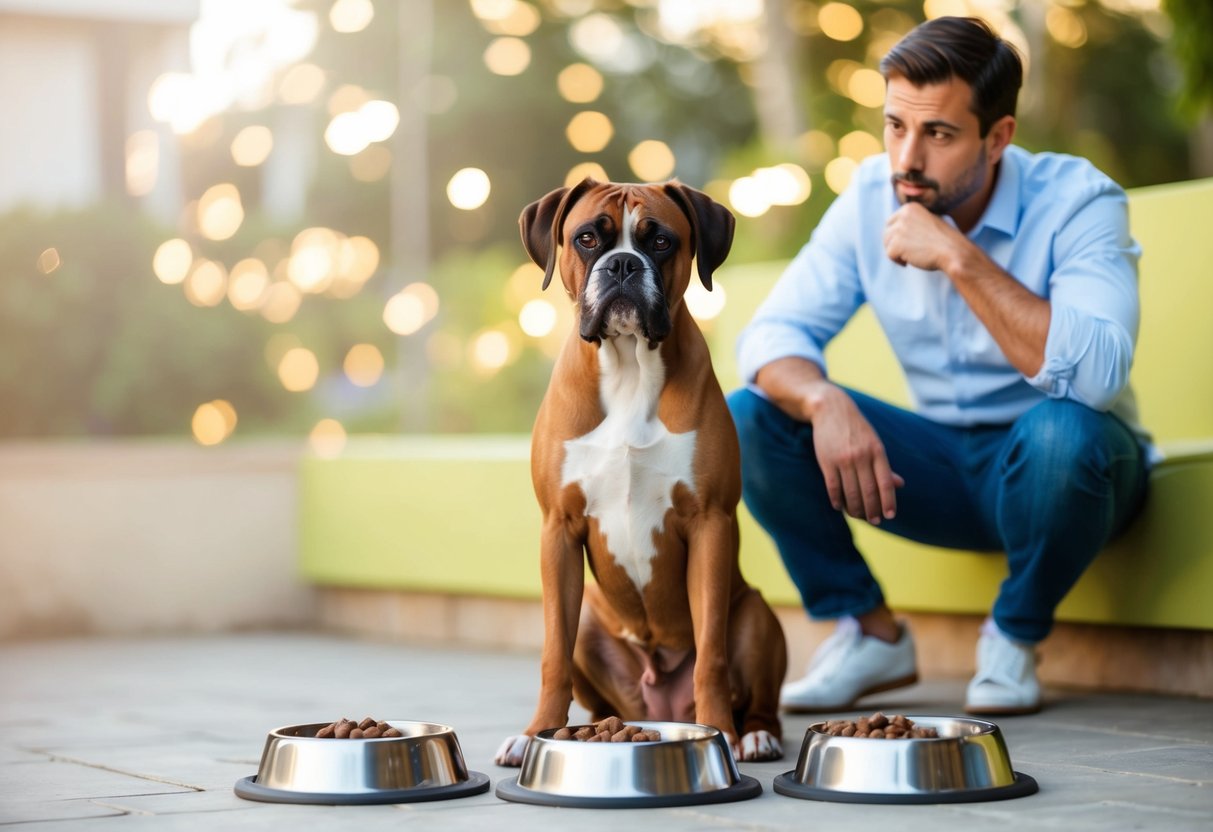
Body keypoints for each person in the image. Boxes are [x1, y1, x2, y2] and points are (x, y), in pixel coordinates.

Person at [727, 16, 1150, 715]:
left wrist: (959, 257)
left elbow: (1098, 377)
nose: (906, 158)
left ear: (998, 137)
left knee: (1060, 434)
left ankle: (1012, 635)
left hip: (1075, 474)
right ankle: (868, 633)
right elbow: (770, 335)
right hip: (941, 472)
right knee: (752, 416)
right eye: (895, 126)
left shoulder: (1078, 200)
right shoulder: (869, 197)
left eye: (939, 135)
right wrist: (824, 403)